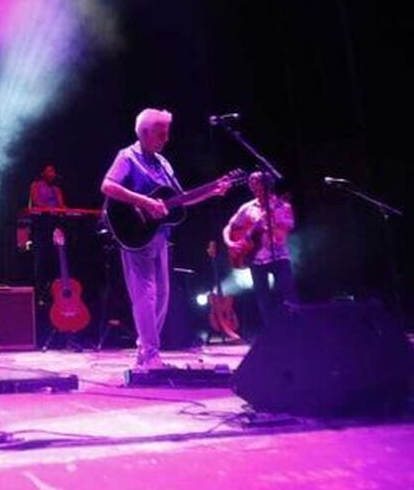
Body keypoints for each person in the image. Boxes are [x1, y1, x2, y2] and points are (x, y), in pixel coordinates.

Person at [100, 108, 230, 370]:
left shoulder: (164, 163)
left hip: (159, 235)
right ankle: (150, 354)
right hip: (134, 233)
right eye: (161, 134)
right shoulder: (127, 157)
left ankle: (146, 351)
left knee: (162, 296)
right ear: (144, 133)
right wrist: (145, 202)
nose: (166, 139)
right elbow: (108, 186)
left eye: (167, 133)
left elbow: (181, 199)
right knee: (145, 295)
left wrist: (212, 192)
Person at [223, 170, 297, 334]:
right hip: (256, 257)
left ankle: (293, 331)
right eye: (252, 186)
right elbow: (230, 226)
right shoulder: (247, 208)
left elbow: (283, 234)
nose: (255, 189)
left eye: (258, 185)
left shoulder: (283, 206)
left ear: (268, 185)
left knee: (288, 295)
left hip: (280, 256)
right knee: (263, 300)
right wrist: (231, 243)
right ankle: (272, 333)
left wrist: (272, 226)